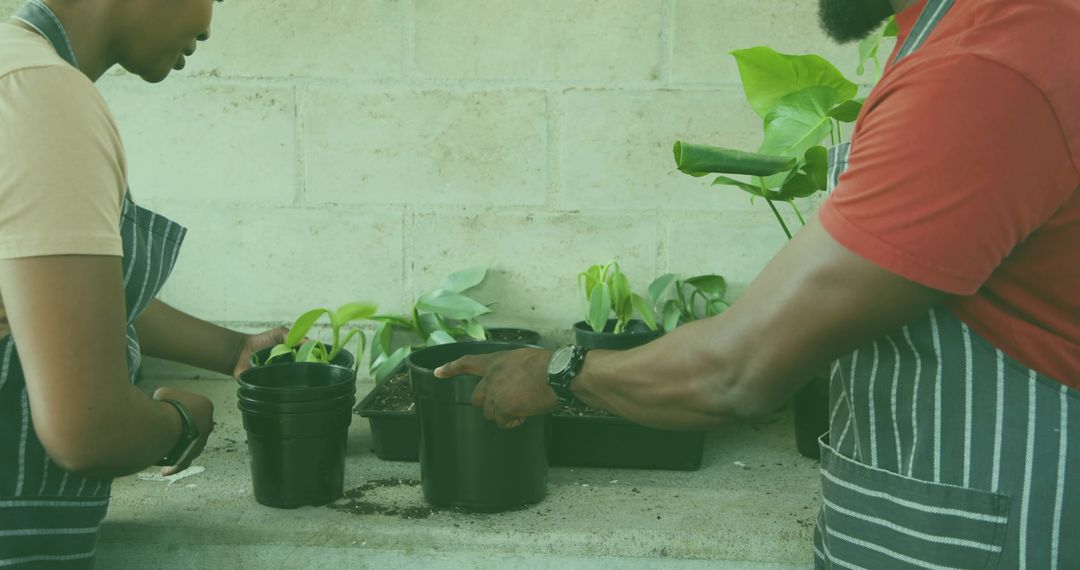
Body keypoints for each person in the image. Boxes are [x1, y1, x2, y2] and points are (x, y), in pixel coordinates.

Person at [436, 0, 1079, 566]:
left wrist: (559, 372)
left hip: (989, 534)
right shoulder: (1009, 33)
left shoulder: (984, 71)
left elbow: (734, 373)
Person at [0, 0, 285, 566]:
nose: (208, 26)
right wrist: (179, 424)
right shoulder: (43, 96)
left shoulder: (13, 68)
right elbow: (90, 432)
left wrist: (232, 349)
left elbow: (46, 297)